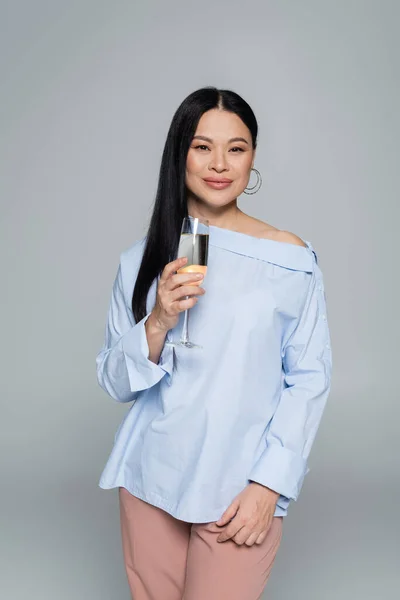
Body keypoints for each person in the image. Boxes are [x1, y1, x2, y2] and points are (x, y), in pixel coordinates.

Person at [96, 86, 333, 600]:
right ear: (179, 153)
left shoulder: (288, 257)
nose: (219, 164)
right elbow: (115, 381)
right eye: (202, 146)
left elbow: (310, 378)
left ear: (253, 157)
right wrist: (158, 320)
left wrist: (270, 484)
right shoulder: (140, 259)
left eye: (237, 147)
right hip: (150, 476)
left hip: (237, 487)